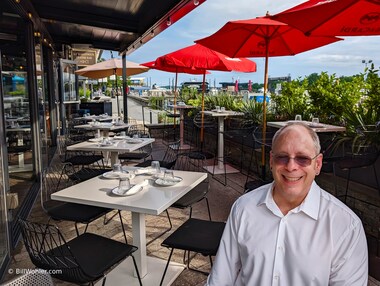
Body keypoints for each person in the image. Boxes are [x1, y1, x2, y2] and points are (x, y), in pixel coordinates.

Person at [206, 122, 368, 285]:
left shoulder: (346, 227)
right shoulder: (244, 207)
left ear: (317, 164)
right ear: (271, 161)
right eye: (282, 157)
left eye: (302, 158)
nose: (291, 167)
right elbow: (221, 277)